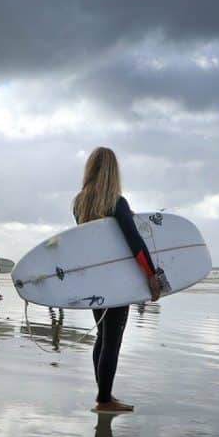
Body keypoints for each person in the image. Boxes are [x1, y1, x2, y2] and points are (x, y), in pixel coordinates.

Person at [73, 147, 162, 414]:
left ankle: (103, 393)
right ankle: (104, 399)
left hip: (94, 280)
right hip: (117, 283)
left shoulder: (80, 203)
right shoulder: (116, 202)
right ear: (114, 171)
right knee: (113, 339)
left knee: (103, 336)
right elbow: (134, 242)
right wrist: (151, 275)